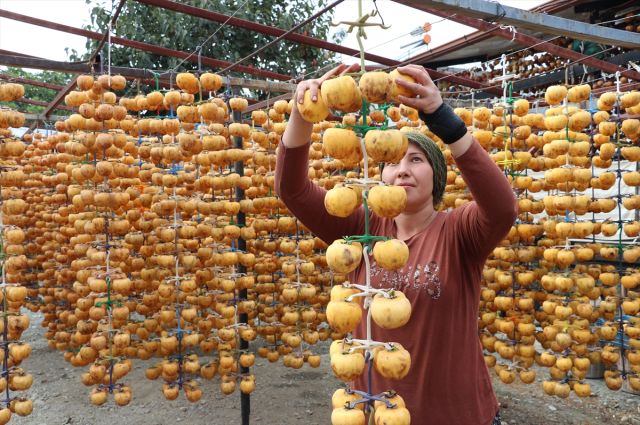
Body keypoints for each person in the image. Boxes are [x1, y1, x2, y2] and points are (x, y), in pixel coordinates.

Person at [274, 63, 518, 425]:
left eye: (416, 160)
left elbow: (502, 208)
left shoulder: (459, 231)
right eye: (392, 161)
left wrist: (443, 120)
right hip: (377, 413)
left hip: (457, 414)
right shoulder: (360, 229)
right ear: (380, 175)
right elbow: (291, 190)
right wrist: (303, 112)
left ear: (437, 177)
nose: (402, 170)